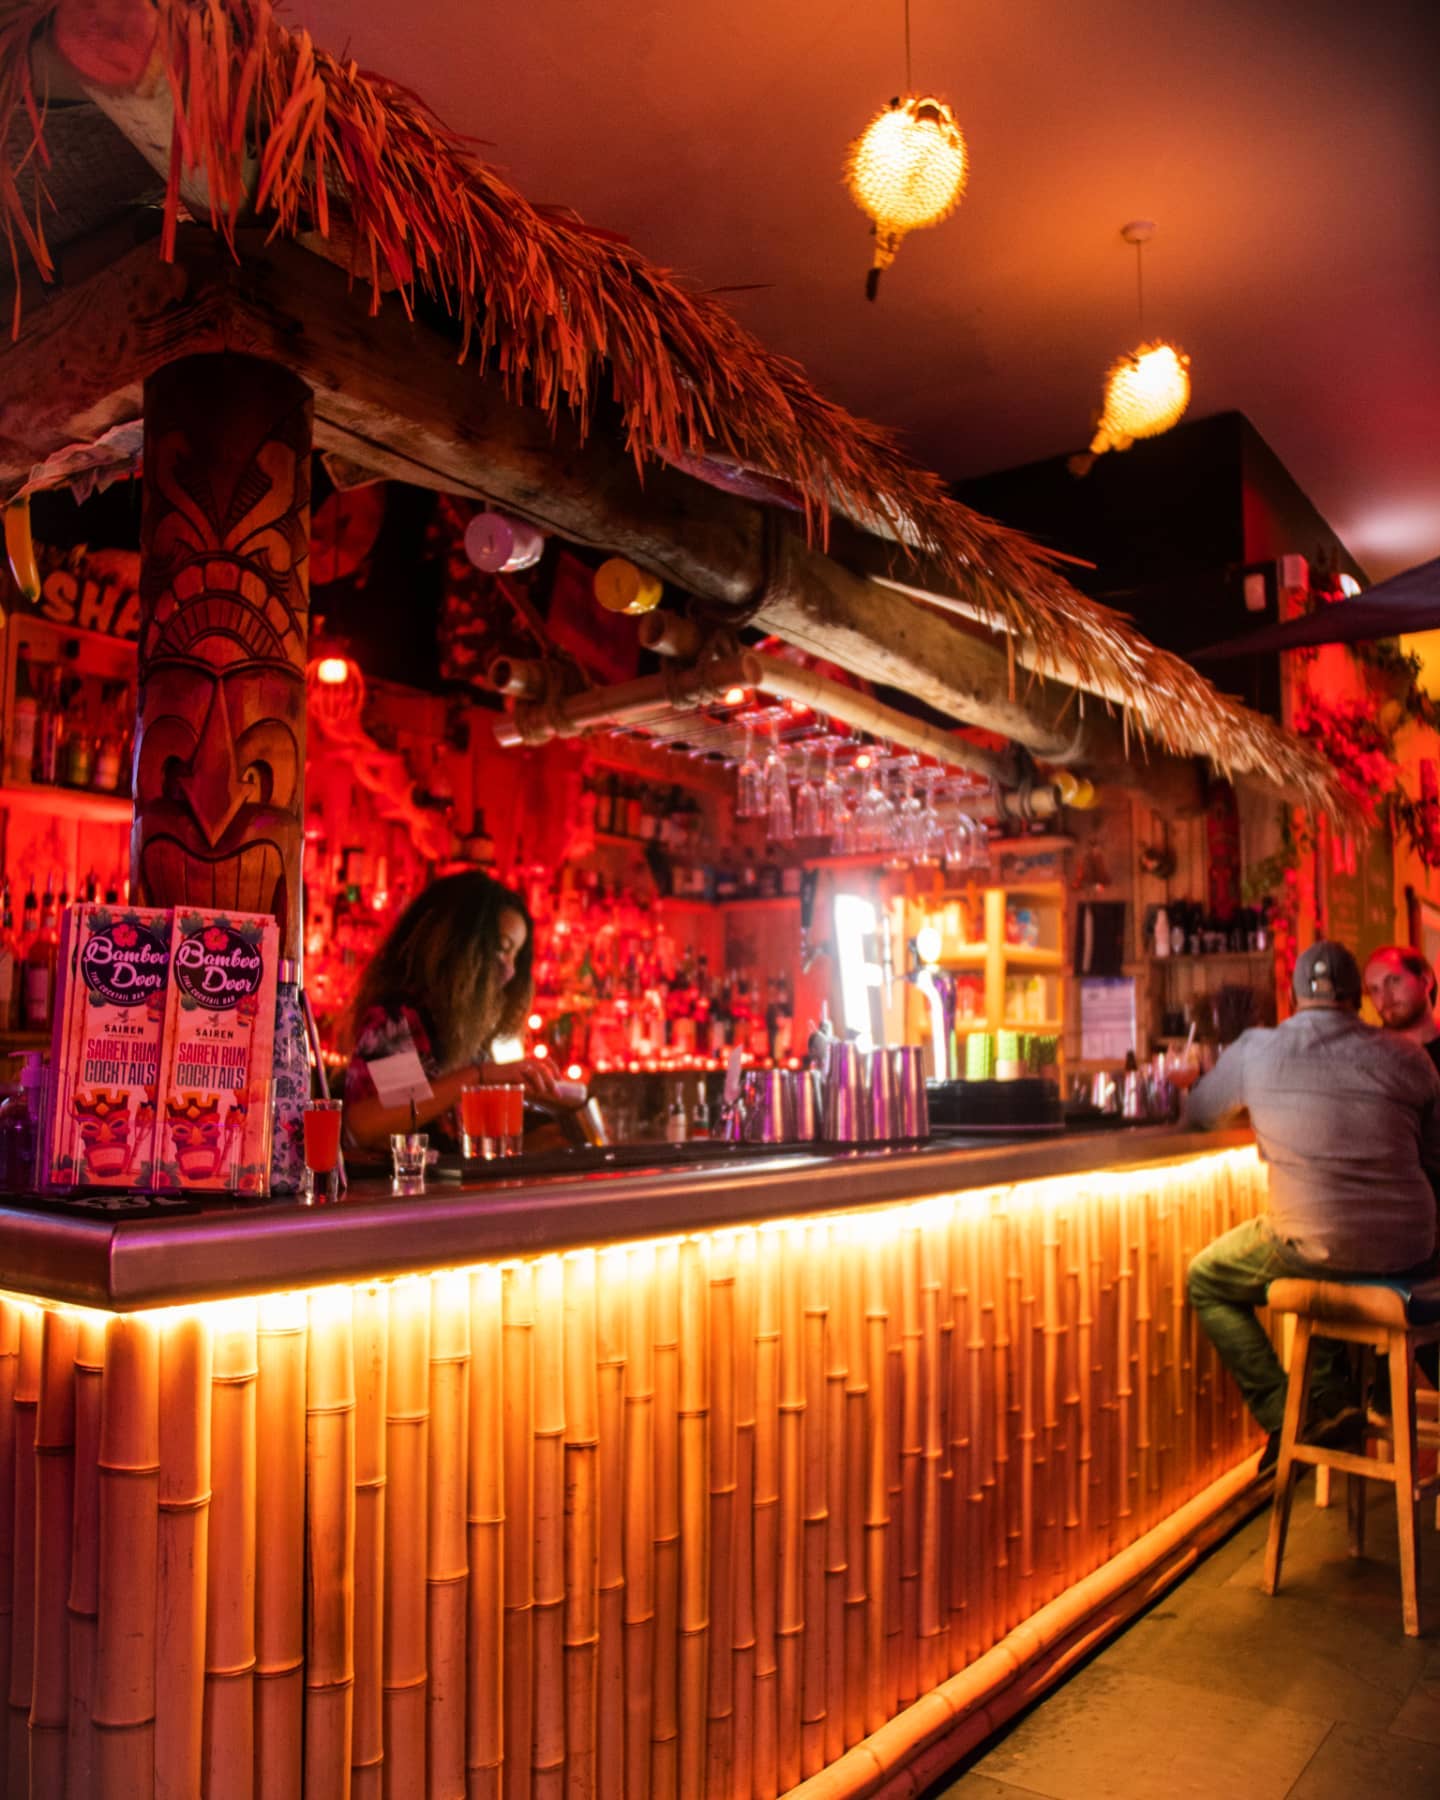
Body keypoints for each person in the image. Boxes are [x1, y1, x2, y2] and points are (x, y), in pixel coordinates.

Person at [1181, 938, 1440, 1469]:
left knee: (1208, 1277)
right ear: (1356, 999)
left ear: (1294, 999)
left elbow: (1199, 1113)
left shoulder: (1256, 1049)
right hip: (1413, 1253)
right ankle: (1333, 1398)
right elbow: (1431, 1151)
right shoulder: (1410, 1058)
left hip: (1317, 1244)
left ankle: (1294, 1418)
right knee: (1329, 1257)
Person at [343, 869, 574, 1153]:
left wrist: (524, 1146)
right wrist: (479, 1076)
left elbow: (456, 1147)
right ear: (456, 944)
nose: (511, 971)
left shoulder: (465, 1033)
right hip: (398, 1196)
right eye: (502, 949)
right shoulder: (399, 1019)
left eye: (516, 956)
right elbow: (365, 1126)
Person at [1364, 943, 1440, 1072]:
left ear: (1425, 980)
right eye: (1374, 990)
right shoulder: (1368, 1056)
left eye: (1394, 981)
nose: (1385, 998)